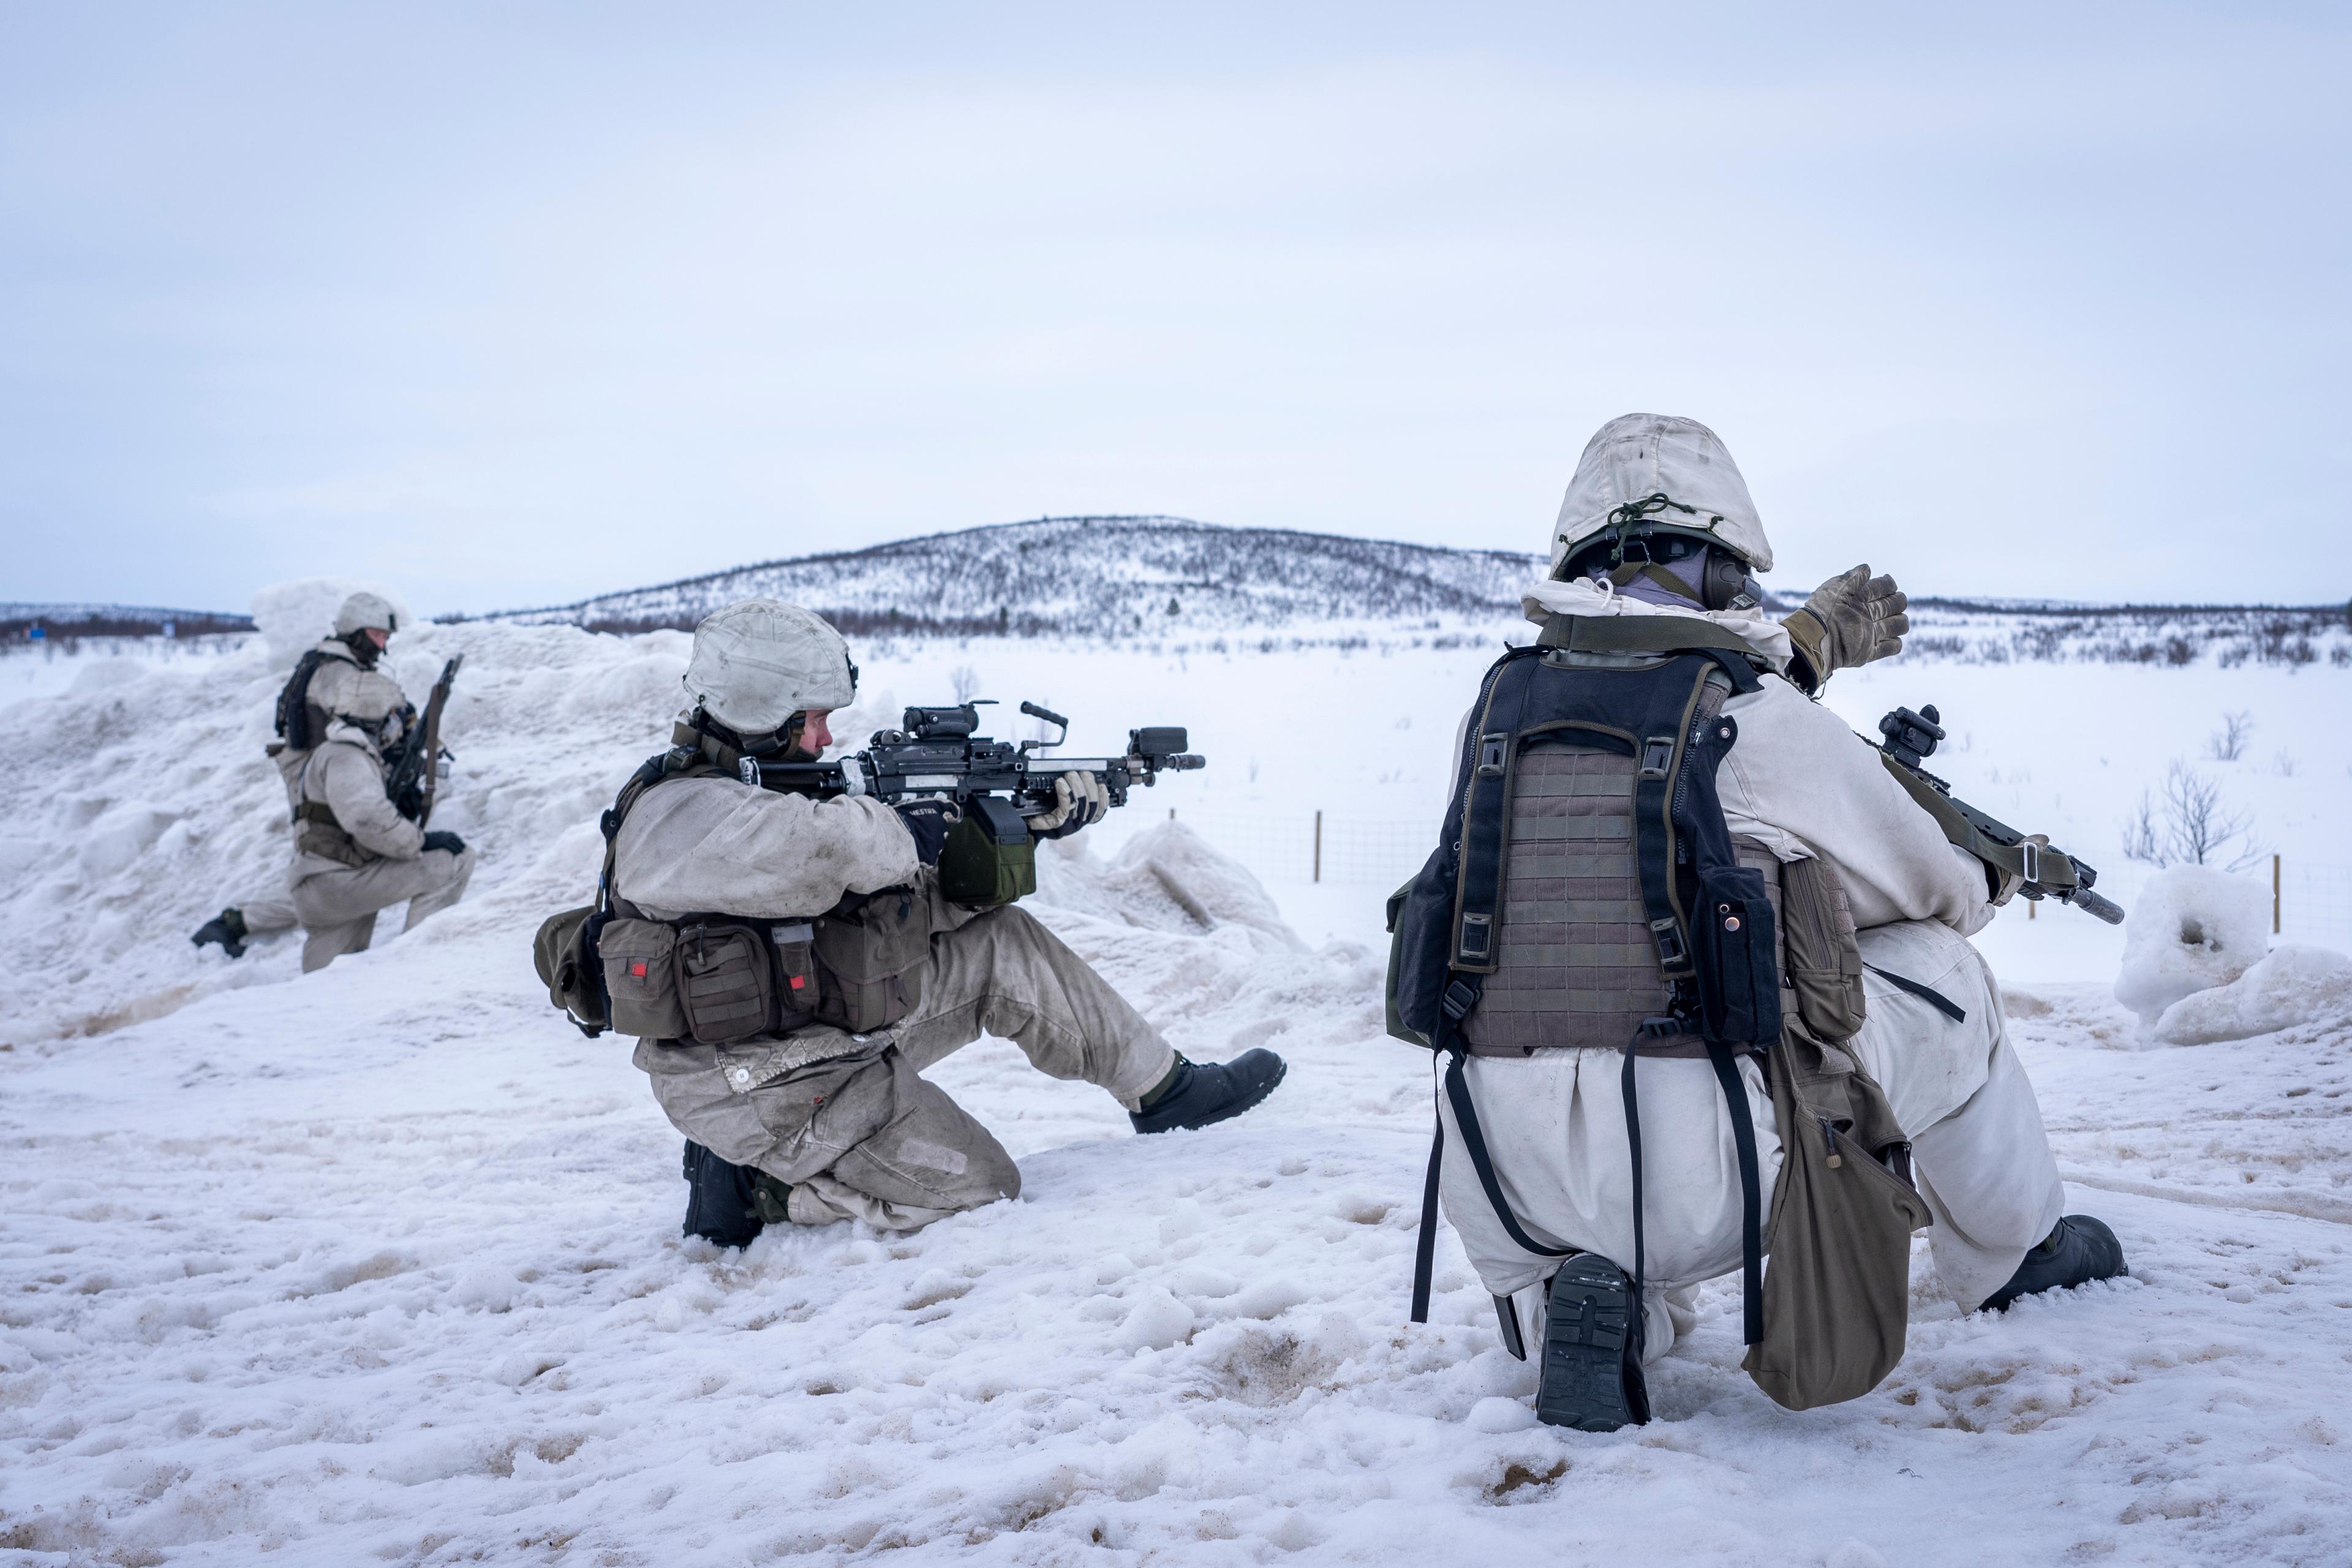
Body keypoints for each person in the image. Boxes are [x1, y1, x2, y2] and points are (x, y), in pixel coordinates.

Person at [1401, 413, 2122, 1432]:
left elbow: (1657, 671)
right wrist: (1983, 868)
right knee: (1945, 967)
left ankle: (1592, 1306)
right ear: (1723, 565)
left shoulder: (1495, 718)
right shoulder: (1767, 724)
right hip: (1710, 1177)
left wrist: (1802, 655)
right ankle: (2016, 1253)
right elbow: (1938, 890)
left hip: (1504, 1178)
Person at [609, 598, 1286, 1245]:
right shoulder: (682, 816)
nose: (825, 736)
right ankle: (756, 1187)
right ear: (759, 710)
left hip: (816, 1030)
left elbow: (890, 909)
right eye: (812, 718)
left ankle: (1164, 1089)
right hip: (756, 1085)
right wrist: (914, 819)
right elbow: (829, 848)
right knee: (985, 1186)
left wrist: (1017, 832)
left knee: (1002, 942)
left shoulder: (774, 796)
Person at [192, 591, 474, 971]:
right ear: (354, 630)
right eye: (376, 634)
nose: (383, 643)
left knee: (337, 865)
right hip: (327, 777)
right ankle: (239, 922)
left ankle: (264, 932)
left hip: (333, 776)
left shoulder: (334, 664)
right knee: (338, 863)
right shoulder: (337, 673)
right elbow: (368, 720)